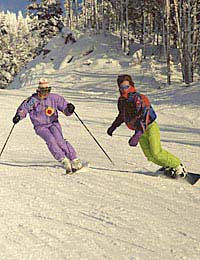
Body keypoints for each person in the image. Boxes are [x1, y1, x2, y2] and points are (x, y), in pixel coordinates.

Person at [107, 74, 187, 178]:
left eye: (126, 87)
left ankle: (178, 165)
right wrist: (113, 127)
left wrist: (137, 135)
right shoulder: (122, 101)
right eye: (121, 88)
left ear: (131, 85)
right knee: (150, 156)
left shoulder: (139, 99)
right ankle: (168, 166)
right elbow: (122, 115)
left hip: (150, 127)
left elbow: (144, 117)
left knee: (156, 152)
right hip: (139, 131)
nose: (124, 90)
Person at [12, 78, 82, 174]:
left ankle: (74, 159)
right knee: (51, 140)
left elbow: (65, 108)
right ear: (38, 90)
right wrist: (18, 116)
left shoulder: (54, 98)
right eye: (43, 91)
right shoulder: (33, 100)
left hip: (53, 123)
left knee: (60, 141)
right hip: (40, 126)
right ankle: (63, 159)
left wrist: (69, 109)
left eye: (48, 91)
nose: (45, 93)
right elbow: (24, 109)